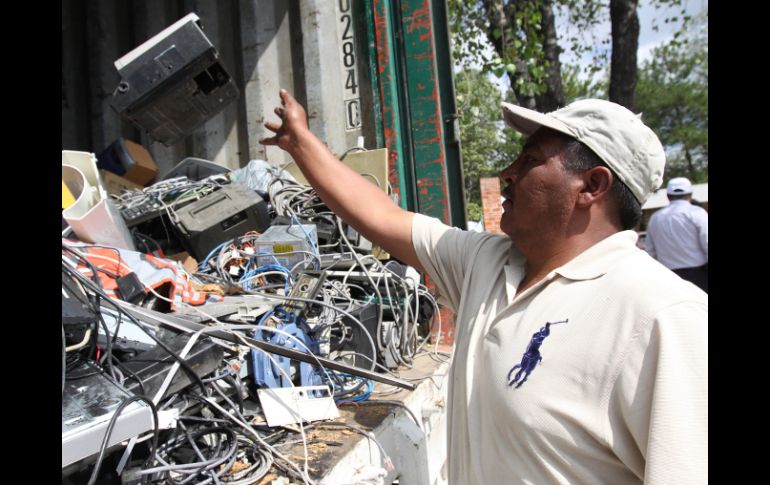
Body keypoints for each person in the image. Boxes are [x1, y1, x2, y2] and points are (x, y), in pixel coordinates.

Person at [260, 89, 707, 485]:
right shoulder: (487, 263)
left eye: (530, 160)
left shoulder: (663, 316)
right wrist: (301, 142)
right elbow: (383, 217)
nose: (508, 172)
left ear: (591, 185)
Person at [645, 177, 709, 292]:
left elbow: (650, 252)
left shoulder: (655, 218)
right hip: (698, 275)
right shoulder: (697, 213)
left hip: (669, 277)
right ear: (690, 194)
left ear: (668, 196)